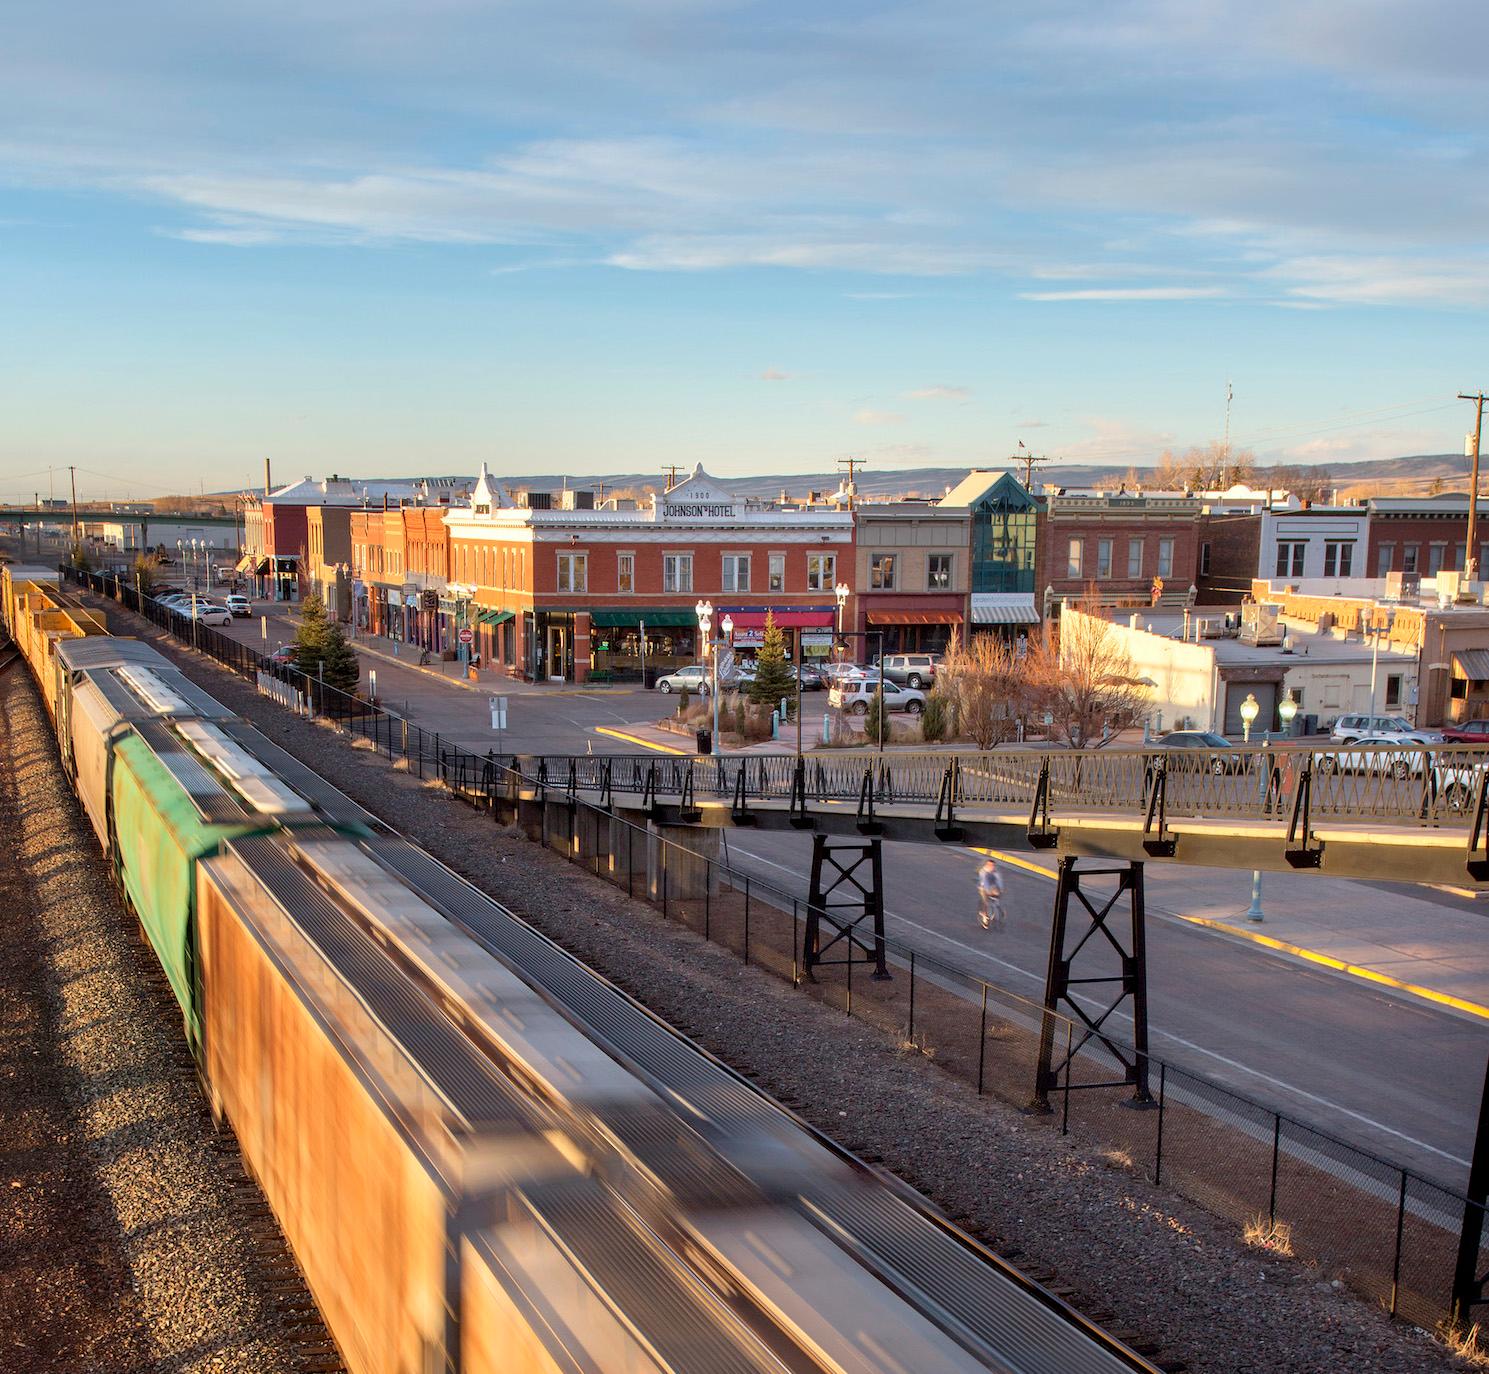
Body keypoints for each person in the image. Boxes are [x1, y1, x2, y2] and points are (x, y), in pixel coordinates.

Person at [977, 857, 1003, 930]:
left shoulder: (995, 872)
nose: (992, 866)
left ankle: (995, 909)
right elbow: (985, 882)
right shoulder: (983, 872)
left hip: (993, 887)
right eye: (990, 865)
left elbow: (999, 881)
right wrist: (988, 890)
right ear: (987, 865)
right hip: (983, 887)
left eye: (993, 865)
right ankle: (985, 917)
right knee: (986, 902)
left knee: (996, 898)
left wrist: (1000, 889)